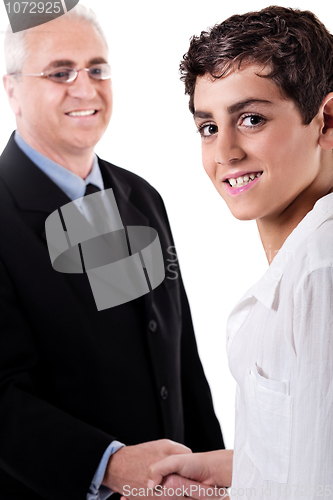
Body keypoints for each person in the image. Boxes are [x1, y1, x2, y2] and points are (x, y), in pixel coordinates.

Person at [0, 5, 224, 500]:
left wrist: (212, 474)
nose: (85, 88)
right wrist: (111, 464)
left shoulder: (139, 198)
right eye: (61, 72)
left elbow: (177, 359)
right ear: (11, 90)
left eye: (97, 68)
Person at [148, 6, 333, 499]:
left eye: (251, 119)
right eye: (208, 127)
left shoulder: (321, 272)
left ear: (327, 120)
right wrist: (235, 472)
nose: (224, 152)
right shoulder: (304, 261)